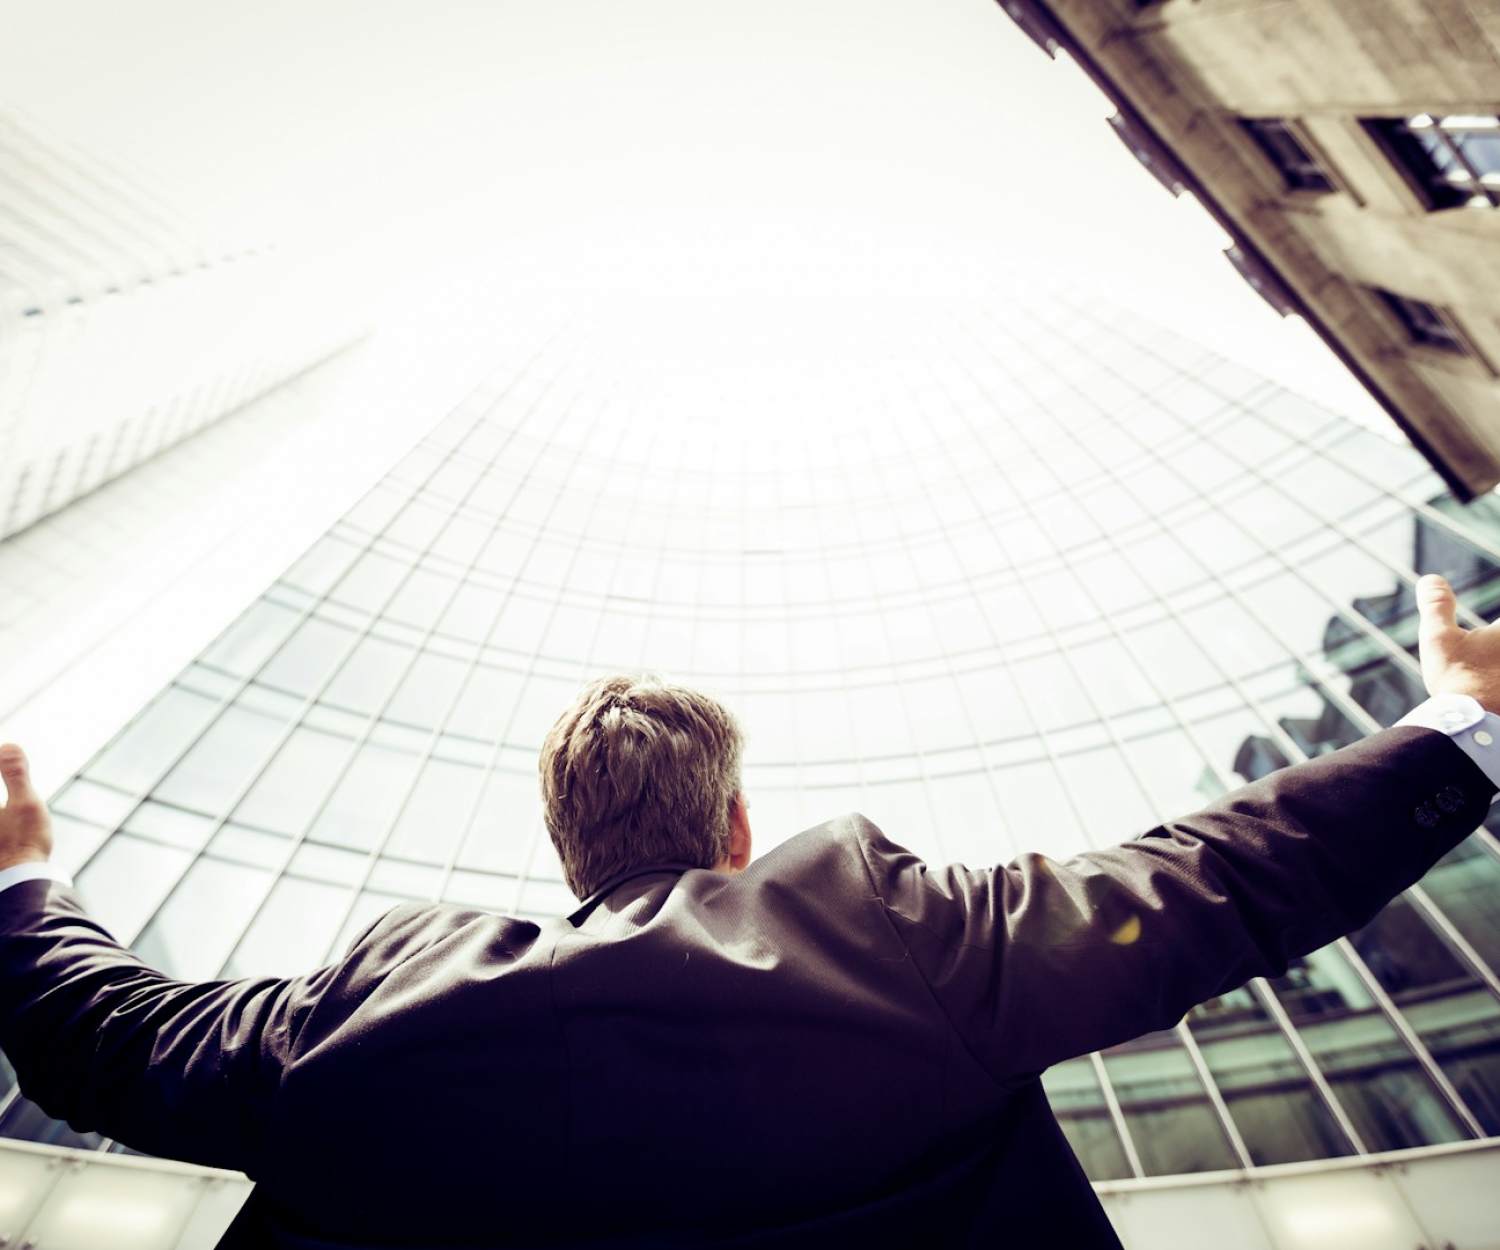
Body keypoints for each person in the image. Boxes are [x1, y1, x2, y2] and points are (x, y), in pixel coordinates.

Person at [0, 574, 1497, 1249]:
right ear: (735, 829)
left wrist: (23, 874)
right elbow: (1211, 879)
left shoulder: (367, 1013)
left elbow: (100, 1039)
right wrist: (1458, 726)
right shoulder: (883, 931)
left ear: (567, 849)